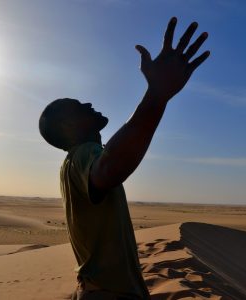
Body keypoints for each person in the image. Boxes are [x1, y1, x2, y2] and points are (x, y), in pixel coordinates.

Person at [39, 17, 210, 300]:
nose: (88, 104)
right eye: (78, 107)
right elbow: (109, 168)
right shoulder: (82, 154)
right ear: (68, 128)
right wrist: (157, 95)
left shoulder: (73, 165)